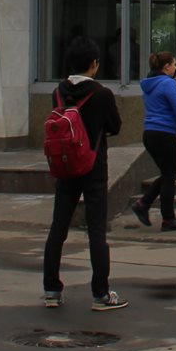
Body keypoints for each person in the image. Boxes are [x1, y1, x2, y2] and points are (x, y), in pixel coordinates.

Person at [42, 36, 127, 311]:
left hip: (65, 167)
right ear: (94, 64)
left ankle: (52, 290)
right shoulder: (101, 94)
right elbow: (115, 126)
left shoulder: (58, 91)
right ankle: (101, 295)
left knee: (58, 228)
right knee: (96, 231)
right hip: (92, 167)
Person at [131, 51, 176, 232]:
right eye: (174, 64)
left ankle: (143, 204)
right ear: (166, 66)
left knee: (168, 173)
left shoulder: (150, 84)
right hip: (164, 133)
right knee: (170, 175)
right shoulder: (168, 84)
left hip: (150, 133)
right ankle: (168, 218)